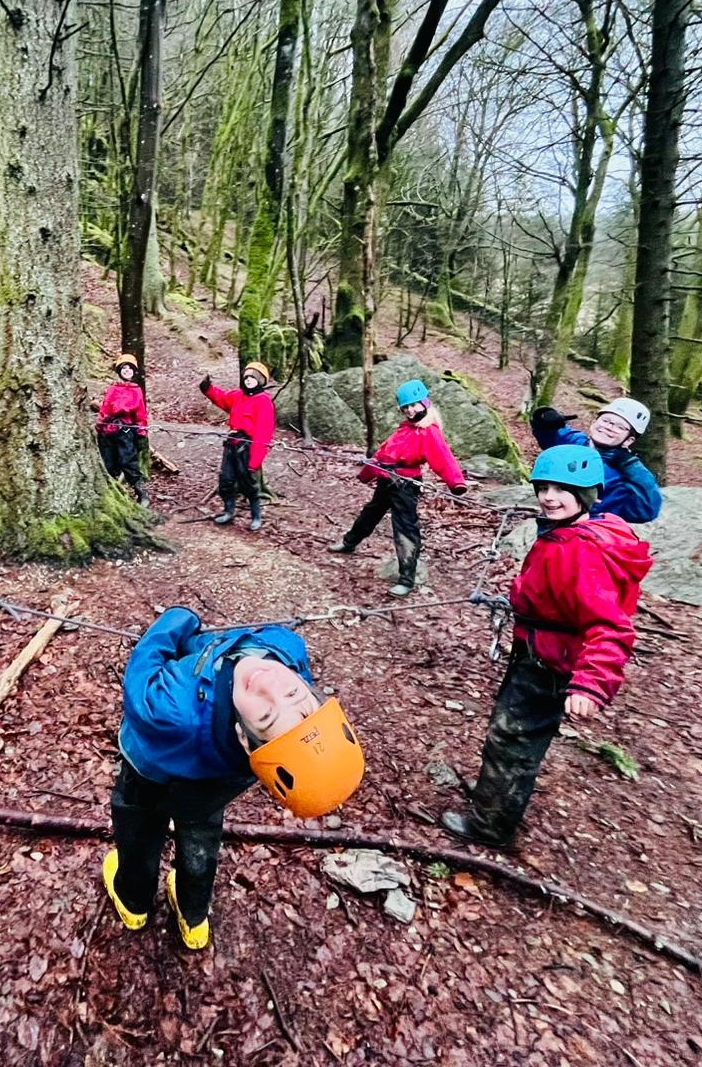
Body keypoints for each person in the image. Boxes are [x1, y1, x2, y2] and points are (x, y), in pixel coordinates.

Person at [103, 607, 365, 949]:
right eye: (294, 695)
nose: (271, 684)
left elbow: (143, 675)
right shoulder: (288, 654)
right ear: (311, 691)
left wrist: (179, 621)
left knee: (137, 834)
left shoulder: (170, 709)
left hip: (146, 775)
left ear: (245, 739)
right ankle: (194, 919)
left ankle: (133, 904)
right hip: (212, 787)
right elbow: (265, 641)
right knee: (200, 843)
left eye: (267, 716)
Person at [441, 445, 652, 848]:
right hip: (538, 650)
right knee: (509, 732)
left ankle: (490, 826)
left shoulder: (582, 550)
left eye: (562, 490)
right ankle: (494, 795)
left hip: (550, 664)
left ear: (587, 495)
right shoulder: (567, 534)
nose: (549, 498)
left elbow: (609, 624)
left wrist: (592, 683)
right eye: (544, 488)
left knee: (513, 737)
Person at [328, 379, 467, 597]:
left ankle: (406, 578)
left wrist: (456, 482)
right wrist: (367, 473)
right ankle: (349, 542)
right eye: (406, 407)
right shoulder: (405, 429)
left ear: (424, 403)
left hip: (405, 485)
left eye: (413, 405)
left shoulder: (428, 431)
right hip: (387, 480)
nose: (410, 410)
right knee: (370, 513)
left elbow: (443, 457)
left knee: (404, 527)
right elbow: (384, 455)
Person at [529, 398, 661, 523]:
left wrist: (631, 465)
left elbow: (646, 511)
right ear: (594, 422)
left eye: (620, 427)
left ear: (629, 440)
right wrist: (544, 417)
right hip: (551, 523)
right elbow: (548, 434)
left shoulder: (622, 473)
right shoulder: (575, 441)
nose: (609, 427)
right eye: (606, 421)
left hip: (587, 530)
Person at [201, 361, 275, 530]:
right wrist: (208, 389)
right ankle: (228, 511)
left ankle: (256, 516)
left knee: (249, 482)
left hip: (247, 447)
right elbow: (222, 398)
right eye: (246, 377)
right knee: (226, 479)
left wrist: (255, 461)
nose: (248, 380)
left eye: (253, 377)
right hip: (231, 445)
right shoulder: (238, 395)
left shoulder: (263, 401)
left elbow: (263, 433)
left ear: (261, 381)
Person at [97, 353, 150, 506]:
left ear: (134, 371)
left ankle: (142, 493)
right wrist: (100, 426)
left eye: (130, 368)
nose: (127, 370)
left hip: (126, 431)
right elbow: (105, 408)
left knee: (128, 462)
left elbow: (141, 413)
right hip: (109, 431)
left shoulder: (136, 390)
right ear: (119, 371)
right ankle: (112, 495)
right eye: (124, 368)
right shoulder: (113, 389)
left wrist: (141, 432)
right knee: (108, 463)